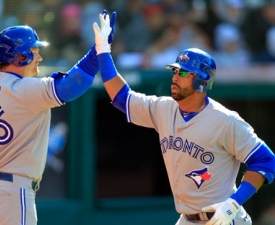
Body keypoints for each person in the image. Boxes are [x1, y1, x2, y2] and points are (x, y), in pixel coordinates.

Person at [92, 13, 275, 225]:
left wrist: (234, 203)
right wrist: (103, 50)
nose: (176, 76)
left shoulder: (225, 120)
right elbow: (122, 97)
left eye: (185, 73)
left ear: (202, 81)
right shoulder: (163, 109)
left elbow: (265, 160)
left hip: (223, 220)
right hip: (187, 219)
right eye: (176, 70)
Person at [0, 10, 116, 225]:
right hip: (12, 193)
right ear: (19, 56)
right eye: (33, 51)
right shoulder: (24, 89)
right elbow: (72, 85)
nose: (39, 57)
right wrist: (98, 50)